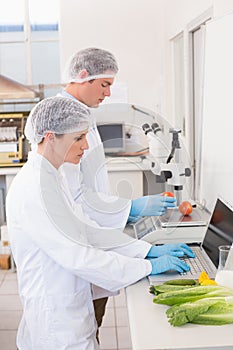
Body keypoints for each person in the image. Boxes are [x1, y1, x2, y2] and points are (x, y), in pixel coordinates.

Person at [7, 96, 194, 350]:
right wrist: (146, 267)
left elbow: (86, 230)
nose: (86, 146)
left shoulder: (53, 176)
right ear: (50, 137)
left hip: (69, 311)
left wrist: (145, 251)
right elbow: (79, 256)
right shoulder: (37, 188)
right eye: (78, 138)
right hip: (57, 326)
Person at [54, 48, 178, 334]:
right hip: (81, 250)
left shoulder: (83, 115)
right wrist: (128, 210)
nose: (108, 93)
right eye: (104, 84)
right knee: (81, 328)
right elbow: (76, 198)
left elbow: (90, 186)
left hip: (95, 238)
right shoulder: (66, 120)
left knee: (91, 327)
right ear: (83, 76)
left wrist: (125, 212)